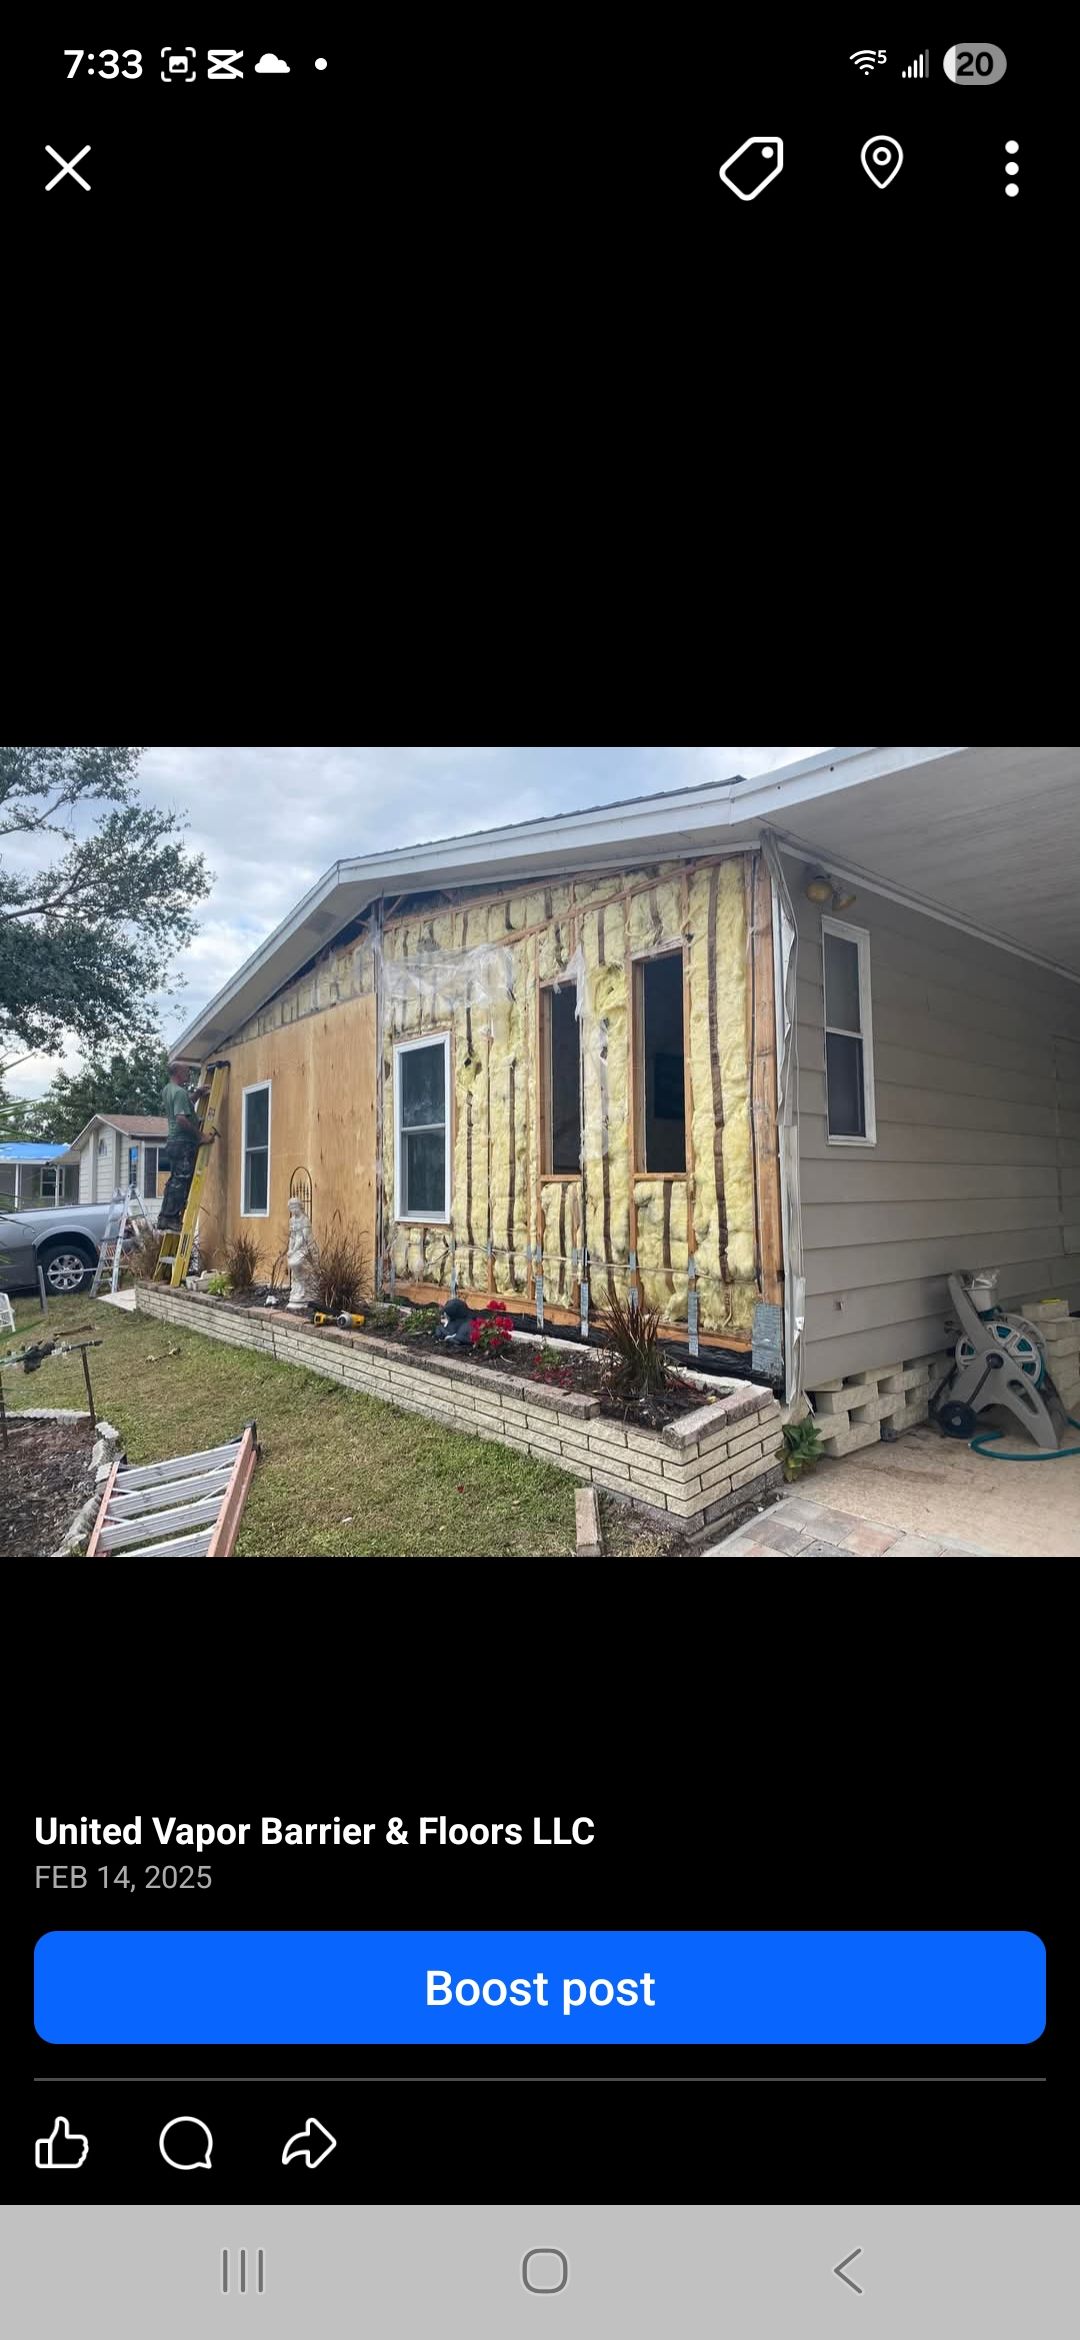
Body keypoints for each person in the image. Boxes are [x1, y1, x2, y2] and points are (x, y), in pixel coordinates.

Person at [157, 1061, 217, 1231]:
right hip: (183, 1143)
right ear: (177, 1072)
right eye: (186, 1071)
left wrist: (197, 1094)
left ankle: (164, 1217)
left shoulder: (169, 1090)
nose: (188, 1074)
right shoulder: (179, 1092)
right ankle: (171, 1218)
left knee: (175, 1180)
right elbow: (181, 1119)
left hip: (173, 1142)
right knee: (181, 1181)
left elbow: (185, 1104)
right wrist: (201, 1137)